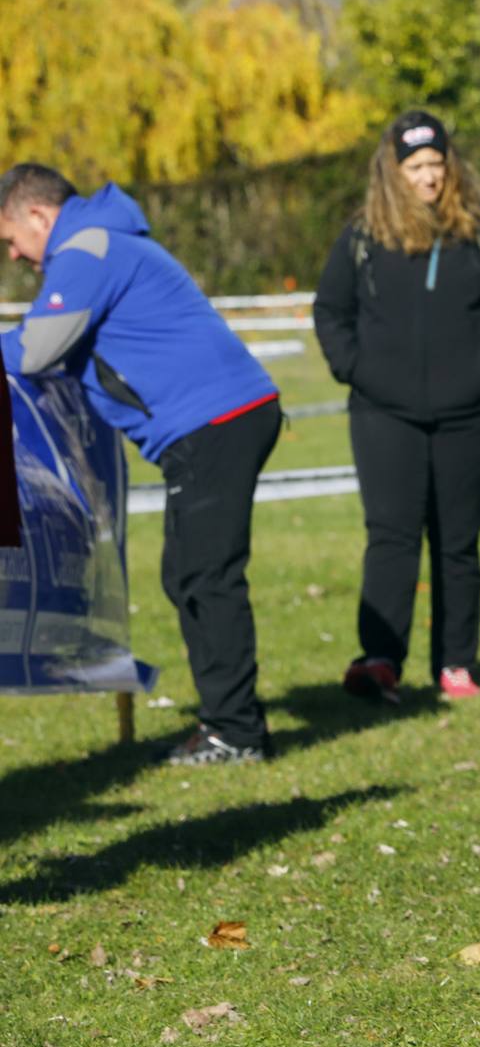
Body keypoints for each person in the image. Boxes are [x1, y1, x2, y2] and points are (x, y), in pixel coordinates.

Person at [0, 163, 282, 764]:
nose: (18, 257)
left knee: (206, 578)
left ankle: (236, 732)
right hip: (218, 422)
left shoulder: (87, 249)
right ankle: (230, 723)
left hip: (215, 424)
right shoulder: (100, 241)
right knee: (190, 576)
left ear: (37, 216)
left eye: (12, 240)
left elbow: (35, 349)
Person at [314, 111, 480, 703]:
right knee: (390, 536)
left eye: (436, 165)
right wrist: (357, 370)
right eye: (415, 167)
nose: (428, 178)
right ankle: (380, 661)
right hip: (382, 414)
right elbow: (330, 311)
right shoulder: (363, 235)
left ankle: (455, 664)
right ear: (392, 172)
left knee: (457, 540)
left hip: (472, 415)